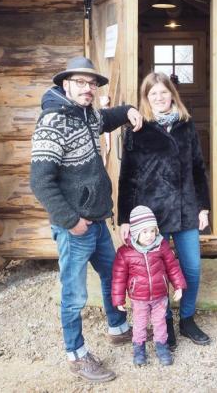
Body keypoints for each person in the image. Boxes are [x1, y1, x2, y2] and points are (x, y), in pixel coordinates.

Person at [30, 56, 143, 383]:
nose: (88, 88)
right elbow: (40, 182)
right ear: (65, 84)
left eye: (92, 83)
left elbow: (106, 119)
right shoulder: (52, 122)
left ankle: (117, 327)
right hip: (75, 228)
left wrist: (128, 111)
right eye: (80, 82)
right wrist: (70, 221)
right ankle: (76, 355)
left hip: (97, 221)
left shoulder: (87, 114)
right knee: (74, 295)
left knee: (112, 275)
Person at [117, 72, 212, 350]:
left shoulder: (186, 125)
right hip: (152, 215)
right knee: (158, 271)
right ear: (146, 98)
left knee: (192, 268)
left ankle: (187, 319)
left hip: (186, 209)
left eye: (163, 92)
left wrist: (203, 207)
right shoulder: (137, 129)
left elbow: (198, 168)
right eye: (153, 94)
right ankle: (165, 323)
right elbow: (127, 176)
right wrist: (125, 218)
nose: (159, 98)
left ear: (172, 94)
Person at [112, 206, 187, 366]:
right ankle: (139, 351)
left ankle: (162, 348)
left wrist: (179, 286)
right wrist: (118, 299)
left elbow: (173, 267)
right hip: (139, 298)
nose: (149, 235)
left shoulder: (162, 246)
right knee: (140, 325)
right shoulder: (125, 252)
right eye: (144, 231)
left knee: (160, 323)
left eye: (152, 231)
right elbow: (119, 277)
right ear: (135, 232)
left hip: (160, 296)